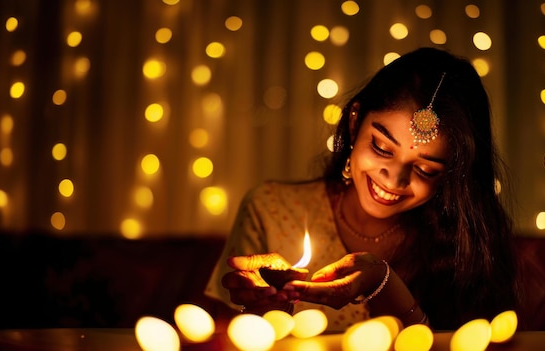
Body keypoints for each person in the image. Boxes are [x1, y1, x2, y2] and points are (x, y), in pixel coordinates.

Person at [204, 47, 520, 332]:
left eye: (425, 169)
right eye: (382, 147)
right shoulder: (270, 210)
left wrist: (383, 284)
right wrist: (264, 317)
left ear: (452, 175)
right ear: (355, 123)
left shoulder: (464, 245)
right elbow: (218, 336)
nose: (394, 180)